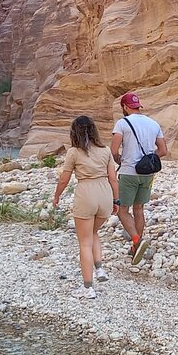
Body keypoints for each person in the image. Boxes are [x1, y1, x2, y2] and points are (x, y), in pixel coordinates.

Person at [53, 116, 120, 299]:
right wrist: (116, 200)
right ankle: (99, 269)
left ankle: (88, 288)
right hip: (105, 194)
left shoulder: (74, 152)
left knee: (84, 242)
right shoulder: (105, 150)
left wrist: (57, 196)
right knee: (93, 233)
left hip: (86, 194)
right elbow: (113, 179)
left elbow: (64, 179)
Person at [111, 92, 167, 265]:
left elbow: (114, 150)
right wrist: (147, 160)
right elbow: (163, 150)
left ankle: (136, 240)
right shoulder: (153, 123)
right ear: (138, 106)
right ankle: (136, 248)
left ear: (125, 107)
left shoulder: (122, 123)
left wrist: (119, 159)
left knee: (122, 210)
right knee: (139, 209)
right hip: (147, 174)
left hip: (128, 173)